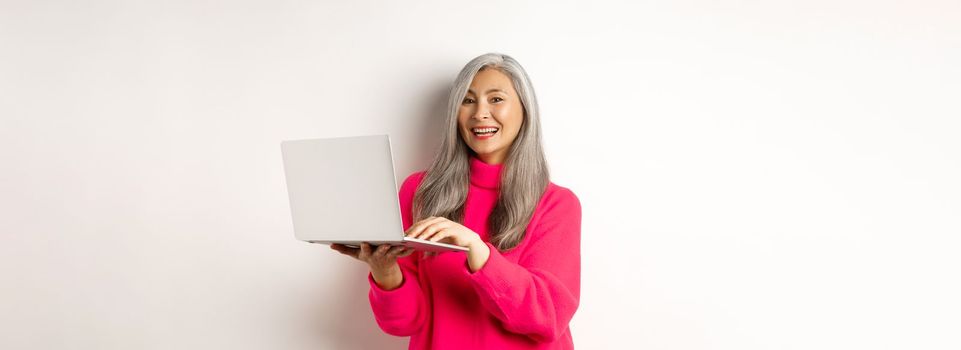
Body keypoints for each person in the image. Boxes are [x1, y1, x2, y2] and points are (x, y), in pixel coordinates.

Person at [331, 52, 581, 349]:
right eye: (468, 100)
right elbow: (405, 323)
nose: (480, 113)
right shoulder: (420, 191)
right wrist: (385, 271)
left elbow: (548, 316)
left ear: (525, 111)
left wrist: (478, 250)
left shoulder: (556, 204)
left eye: (496, 99)